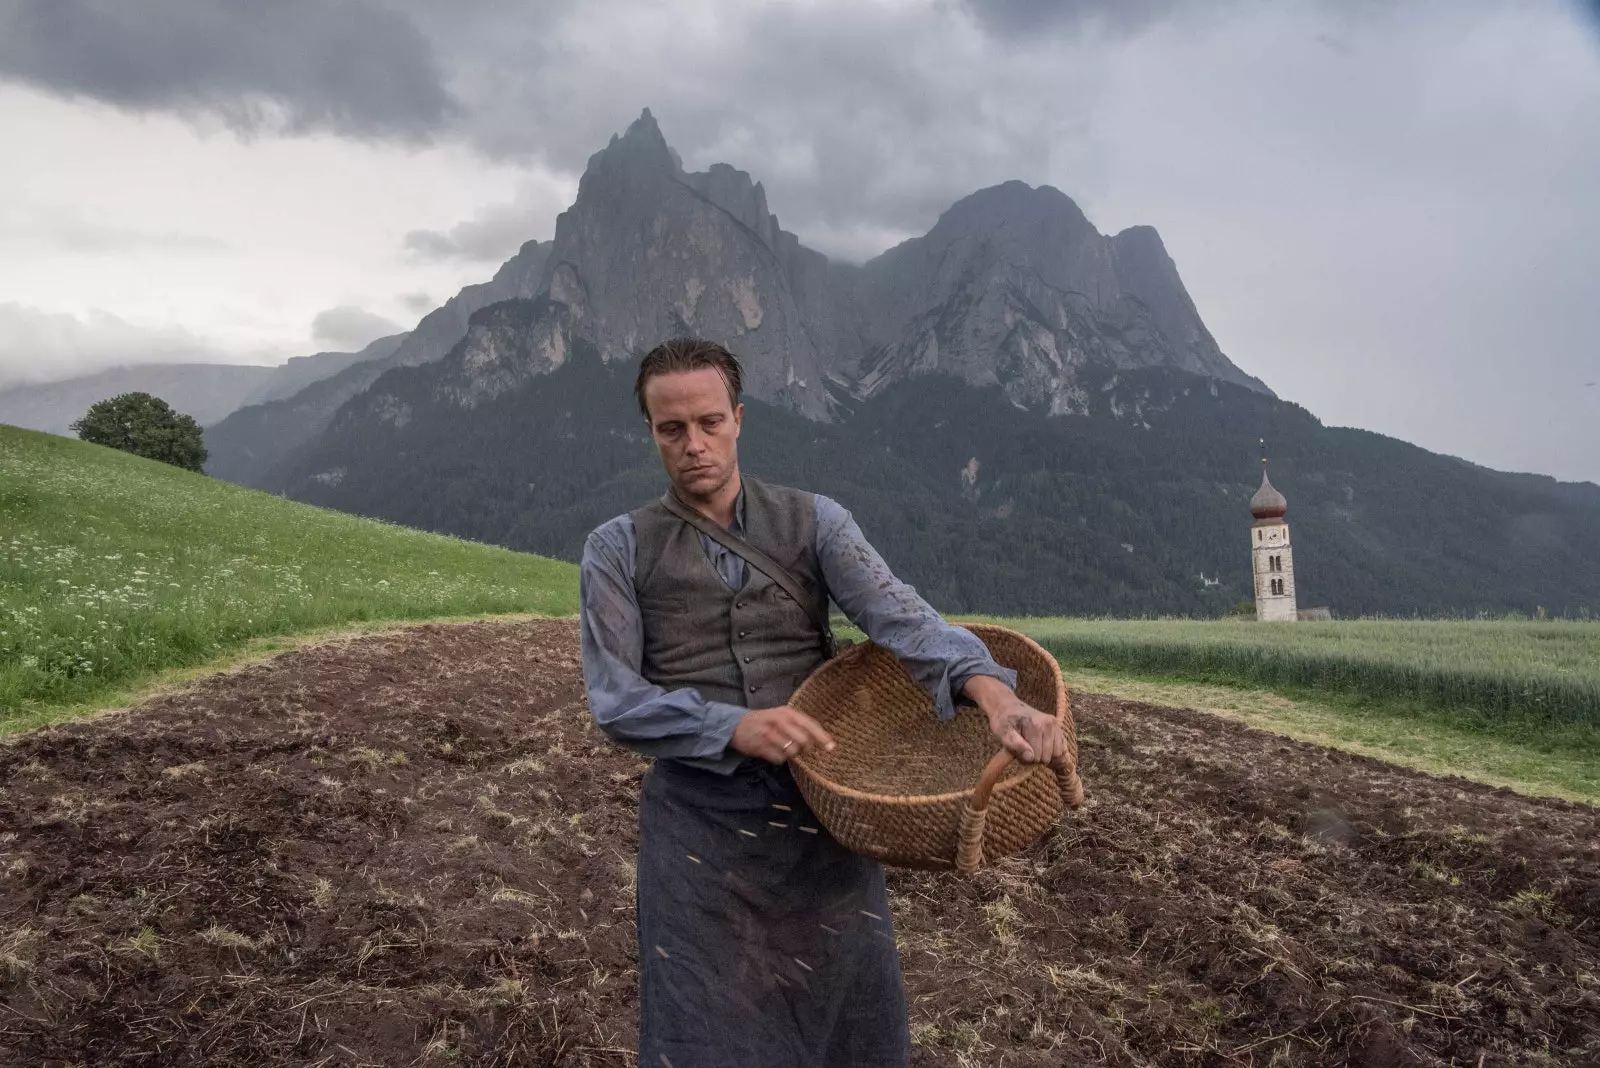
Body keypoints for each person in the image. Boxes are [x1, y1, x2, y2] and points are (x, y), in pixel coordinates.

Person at [579, 337, 1066, 1068]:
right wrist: (733, 726)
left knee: (849, 1030)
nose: (694, 444)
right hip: (696, 838)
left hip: (821, 820)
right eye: (672, 429)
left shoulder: (817, 522)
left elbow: (904, 618)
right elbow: (615, 700)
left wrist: (996, 698)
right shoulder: (616, 549)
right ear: (650, 431)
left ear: (739, 418)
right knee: (704, 1036)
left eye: (710, 422)